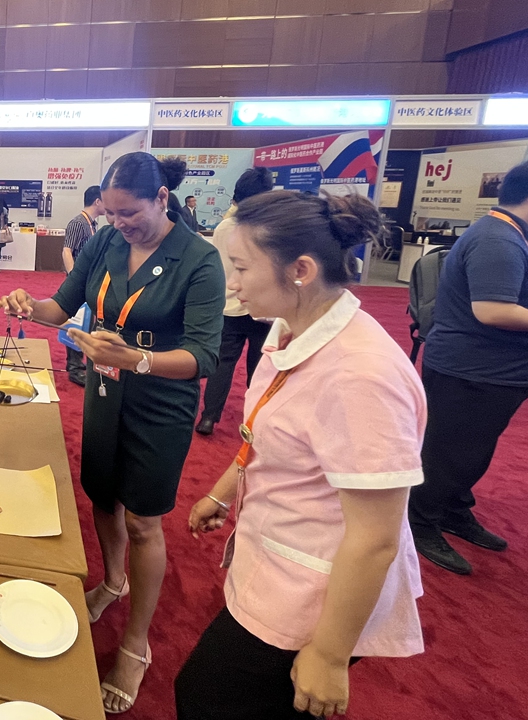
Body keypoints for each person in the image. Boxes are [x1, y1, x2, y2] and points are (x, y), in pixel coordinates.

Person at [180, 190, 425, 720]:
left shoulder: (362, 375)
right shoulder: (293, 327)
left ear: (301, 270)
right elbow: (267, 427)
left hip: (318, 590)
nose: (233, 283)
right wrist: (224, 490)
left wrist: (331, 655)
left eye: (242, 267)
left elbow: (377, 538)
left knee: (205, 697)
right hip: (278, 550)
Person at [0, 153, 224, 714]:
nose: (120, 223)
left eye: (131, 213)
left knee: (145, 521)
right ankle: (114, 581)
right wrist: (30, 307)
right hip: (104, 390)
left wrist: (138, 359)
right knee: (102, 494)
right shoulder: (104, 243)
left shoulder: (199, 259)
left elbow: (204, 355)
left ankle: (135, 643)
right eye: (113, 213)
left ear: (162, 200)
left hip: (159, 403)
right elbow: (62, 305)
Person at [409, 160, 528, 575]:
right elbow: (492, 309)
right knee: (447, 455)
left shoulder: (508, 233)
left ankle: (453, 511)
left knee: (471, 452)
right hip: (471, 370)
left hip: (492, 370)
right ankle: (419, 522)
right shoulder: (499, 239)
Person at [197, 167, 276, 435]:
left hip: (228, 306)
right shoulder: (268, 230)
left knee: (223, 364)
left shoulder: (224, 227)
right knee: (259, 366)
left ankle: (208, 417)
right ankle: (255, 420)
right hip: (262, 309)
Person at [62, 185, 105, 386]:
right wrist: (74, 279)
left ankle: (80, 365)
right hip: (79, 284)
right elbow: (67, 251)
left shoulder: (93, 224)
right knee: (76, 324)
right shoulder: (78, 223)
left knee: (87, 325)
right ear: (97, 201)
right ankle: (75, 367)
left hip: (90, 284)